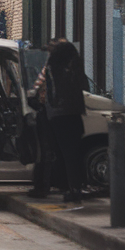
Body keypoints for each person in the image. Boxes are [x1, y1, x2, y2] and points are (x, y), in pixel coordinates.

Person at [44, 40, 88, 203]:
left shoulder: (53, 68)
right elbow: (85, 87)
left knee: (64, 153)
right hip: (73, 114)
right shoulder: (73, 70)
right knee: (73, 153)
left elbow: (51, 93)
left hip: (57, 115)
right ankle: (75, 187)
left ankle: (70, 187)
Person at [27, 39, 65, 199]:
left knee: (45, 152)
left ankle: (44, 186)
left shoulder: (51, 68)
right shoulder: (61, 67)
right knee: (51, 151)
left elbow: (35, 90)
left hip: (49, 113)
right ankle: (49, 185)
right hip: (56, 114)